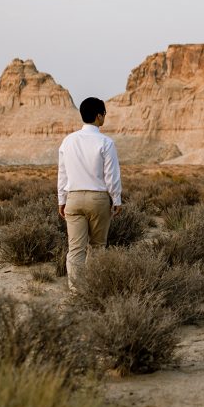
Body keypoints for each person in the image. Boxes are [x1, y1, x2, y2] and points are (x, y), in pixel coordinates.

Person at [57, 97, 122, 291]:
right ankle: (94, 287)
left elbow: (62, 173)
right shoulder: (106, 142)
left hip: (73, 198)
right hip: (98, 199)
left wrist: (62, 199)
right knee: (97, 247)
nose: (105, 117)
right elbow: (111, 175)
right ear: (98, 115)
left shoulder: (68, 141)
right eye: (104, 114)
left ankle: (77, 291)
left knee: (75, 249)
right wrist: (116, 199)